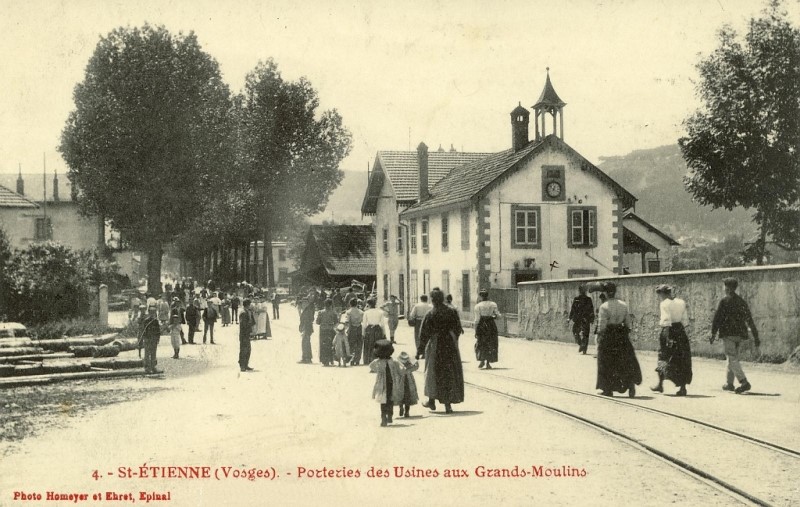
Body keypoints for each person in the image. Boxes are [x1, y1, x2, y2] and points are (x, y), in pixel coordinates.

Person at [417, 288, 465, 413]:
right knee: (449, 372)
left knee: (432, 372)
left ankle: (431, 401)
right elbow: (458, 328)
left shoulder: (431, 313)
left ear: (433, 300)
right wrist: (453, 338)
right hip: (449, 345)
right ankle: (448, 405)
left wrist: (420, 350)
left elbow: (423, 333)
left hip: (435, 344)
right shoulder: (452, 311)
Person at [711, 277, 759, 394]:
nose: (723, 288)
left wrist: (713, 333)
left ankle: (744, 381)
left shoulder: (724, 301)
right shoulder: (741, 301)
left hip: (728, 334)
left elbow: (717, 319)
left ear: (728, 288)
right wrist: (756, 336)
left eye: (724, 286)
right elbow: (750, 320)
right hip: (740, 335)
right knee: (732, 358)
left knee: (731, 357)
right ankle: (729, 383)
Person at [595, 282, 642, 397]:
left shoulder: (604, 306)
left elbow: (602, 325)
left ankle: (607, 388)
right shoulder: (623, 305)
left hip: (608, 335)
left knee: (606, 361)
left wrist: (599, 337)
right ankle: (630, 385)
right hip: (621, 335)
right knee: (625, 360)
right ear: (615, 292)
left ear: (606, 293)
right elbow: (628, 322)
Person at [651, 285, 692, 396]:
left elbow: (667, 320)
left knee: (663, 356)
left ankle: (660, 384)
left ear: (662, 293)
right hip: (680, 330)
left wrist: (667, 336)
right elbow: (685, 319)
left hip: (669, 331)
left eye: (659, 294)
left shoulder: (664, 303)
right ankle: (683, 387)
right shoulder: (681, 302)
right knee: (682, 358)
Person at [369, 339, 403, 427]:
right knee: (390, 400)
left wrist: (378, 371)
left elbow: (371, 366)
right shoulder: (393, 361)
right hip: (391, 383)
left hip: (382, 384)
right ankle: (390, 416)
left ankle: (383, 418)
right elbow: (399, 371)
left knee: (383, 402)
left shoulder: (378, 361)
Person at [474, 289, 501, 369]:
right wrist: (493, 316)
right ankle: (488, 363)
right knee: (491, 343)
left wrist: (476, 330)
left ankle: (482, 360)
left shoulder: (478, 306)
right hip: (491, 325)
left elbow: (477, 320)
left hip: (482, 325)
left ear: (480, 296)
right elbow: (498, 316)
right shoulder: (493, 304)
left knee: (481, 342)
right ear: (487, 296)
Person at [568, 285, 595, 354]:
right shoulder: (576, 299)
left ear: (585, 291)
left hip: (585, 319)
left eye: (583, 290)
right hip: (578, 319)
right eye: (581, 290)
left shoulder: (588, 299)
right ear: (579, 291)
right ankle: (581, 344)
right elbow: (573, 309)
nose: (582, 292)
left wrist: (592, 318)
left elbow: (591, 309)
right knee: (575, 331)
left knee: (586, 334)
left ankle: (584, 349)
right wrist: (569, 317)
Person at [362, 298, 387, 365]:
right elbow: (382, 324)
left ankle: (368, 360)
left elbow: (364, 325)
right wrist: (384, 333)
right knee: (377, 345)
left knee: (369, 345)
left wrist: (363, 334)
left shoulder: (366, 312)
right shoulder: (380, 312)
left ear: (368, 304)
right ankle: (377, 359)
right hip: (377, 329)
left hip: (369, 329)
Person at [138, 306, 162, 374]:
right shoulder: (146, 321)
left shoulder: (155, 321)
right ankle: (147, 368)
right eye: (151, 312)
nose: (152, 314)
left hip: (154, 339)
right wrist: (144, 339)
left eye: (153, 312)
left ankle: (153, 367)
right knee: (147, 354)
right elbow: (144, 331)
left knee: (153, 353)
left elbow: (158, 331)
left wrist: (158, 339)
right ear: (149, 313)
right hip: (148, 339)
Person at [316, 299, 338, 366]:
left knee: (323, 345)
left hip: (323, 330)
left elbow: (317, 322)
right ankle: (331, 359)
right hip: (330, 330)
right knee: (331, 344)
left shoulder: (320, 312)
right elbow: (336, 322)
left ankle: (324, 360)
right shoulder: (333, 313)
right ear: (331, 305)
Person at [397, 351, 419, 418]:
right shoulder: (409, 365)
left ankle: (402, 408)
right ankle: (406, 411)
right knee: (407, 396)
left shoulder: (398, 364)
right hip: (408, 382)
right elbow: (416, 365)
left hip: (400, 382)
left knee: (401, 395)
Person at [345, 298, 364, 366]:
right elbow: (362, 320)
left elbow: (347, 322)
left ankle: (352, 359)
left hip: (352, 328)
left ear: (350, 304)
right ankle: (357, 359)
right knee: (359, 344)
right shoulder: (361, 312)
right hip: (359, 327)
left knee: (351, 344)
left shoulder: (348, 312)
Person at [298, 293, 316, 364]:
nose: (302, 304)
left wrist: (303, 328)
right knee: (306, 343)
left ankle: (306, 358)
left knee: (305, 343)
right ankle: (306, 357)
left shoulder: (308, 310)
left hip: (307, 328)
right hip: (306, 328)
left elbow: (307, 320)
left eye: (303, 303)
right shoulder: (307, 310)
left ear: (306, 303)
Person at [238, 299, 255, 372]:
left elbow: (253, 322)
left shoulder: (249, 312)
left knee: (248, 350)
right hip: (243, 334)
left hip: (247, 333)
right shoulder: (243, 313)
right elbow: (243, 324)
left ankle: (246, 364)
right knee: (243, 350)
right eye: (250, 304)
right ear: (247, 305)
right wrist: (249, 324)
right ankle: (242, 365)